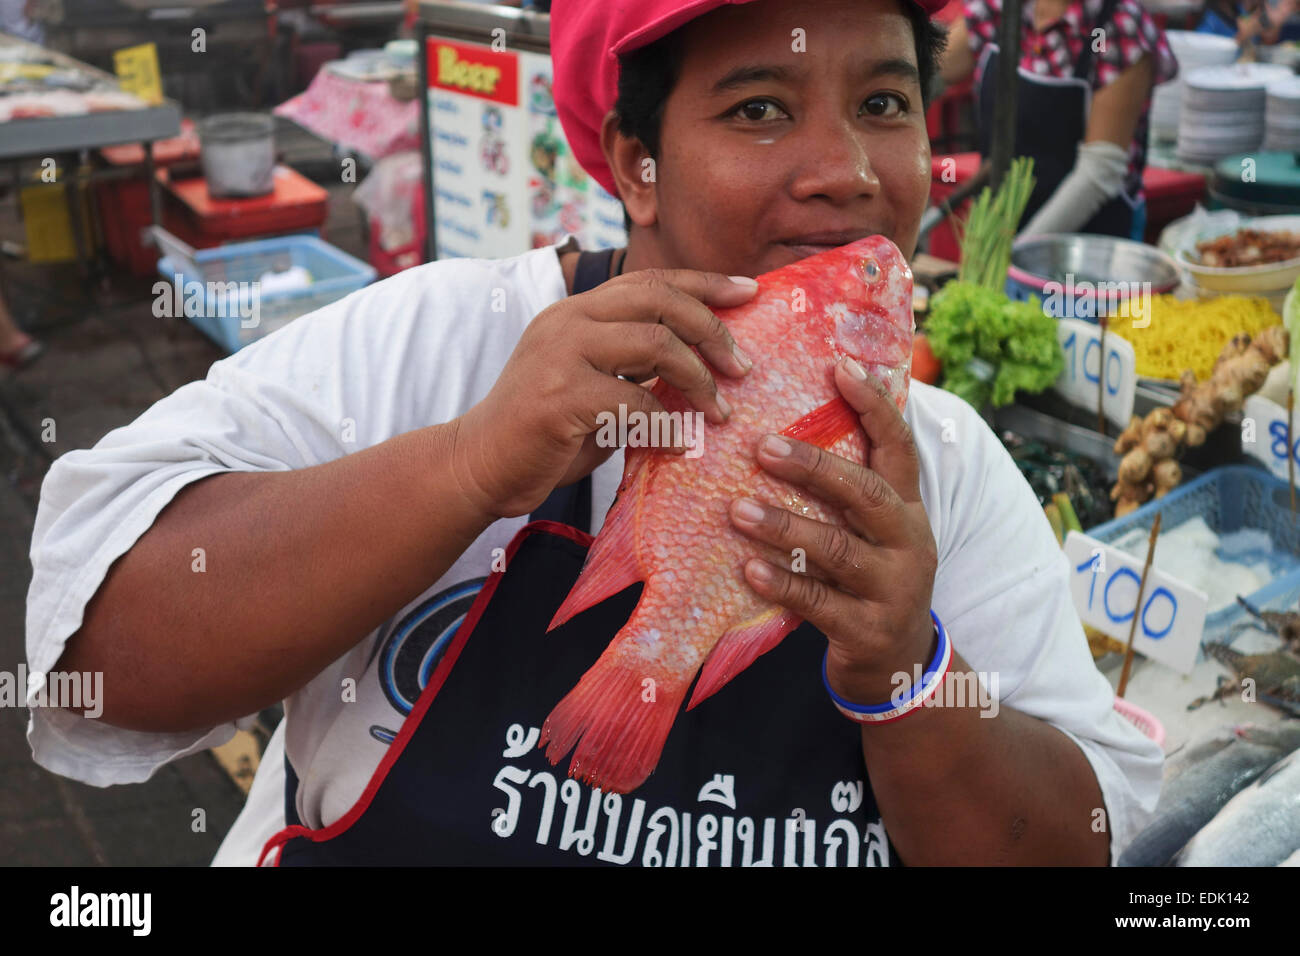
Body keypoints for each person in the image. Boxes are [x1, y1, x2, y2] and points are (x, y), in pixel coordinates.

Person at [26, 0, 1161, 867]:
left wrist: (907, 673)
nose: (848, 175)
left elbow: (1082, 837)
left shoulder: (946, 465)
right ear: (633, 162)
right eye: (758, 107)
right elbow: (94, 662)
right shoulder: (440, 341)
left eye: (883, 104)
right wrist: (466, 465)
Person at [941, 0, 1177, 239]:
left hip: (1087, 246)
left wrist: (1012, 257)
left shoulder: (1117, 24)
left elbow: (1099, 173)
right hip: (1002, 224)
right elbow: (934, 68)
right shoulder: (1003, 7)